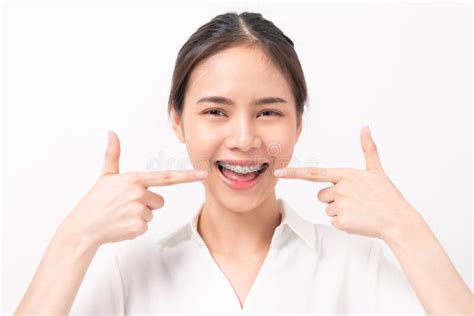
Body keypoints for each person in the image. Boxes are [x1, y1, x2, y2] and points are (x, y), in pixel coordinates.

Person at [15, 11, 472, 315]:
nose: (243, 139)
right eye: (215, 111)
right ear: (177, 121)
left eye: (269, 112)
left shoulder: (360, 264)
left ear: (297, 126)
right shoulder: (125, 272)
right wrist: (73, 238)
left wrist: (408, 230)